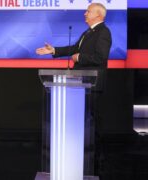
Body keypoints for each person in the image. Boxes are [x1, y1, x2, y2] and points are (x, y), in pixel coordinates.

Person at [36, 3, 112, 177]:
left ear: (99, 15)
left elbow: (100, 57)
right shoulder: (88, 32)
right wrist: (54, 50)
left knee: (93, 126)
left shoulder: (103, 32)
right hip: (81, 84)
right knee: (82, 125)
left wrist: (80, 57)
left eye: (88, 11)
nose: (85, 13)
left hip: (93, 86)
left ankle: (95, 164)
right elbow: (73, 49)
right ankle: (80, 158)